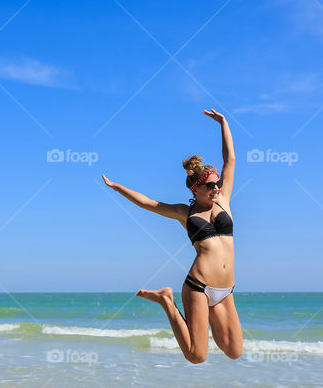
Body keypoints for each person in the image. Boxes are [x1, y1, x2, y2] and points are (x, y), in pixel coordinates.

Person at [101, 108, 242, 362]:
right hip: (198, 286)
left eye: (217, 183)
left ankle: (200, 315)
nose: (216, 187)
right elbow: (149, 203)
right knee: (196, 355)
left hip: (225, 289)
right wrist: (117, 186)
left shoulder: (224, 200)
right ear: (197, 189)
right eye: (210, 185)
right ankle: (167, 300)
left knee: (234, 351)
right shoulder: (184, 213)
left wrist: (224, 123)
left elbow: (230, 159)